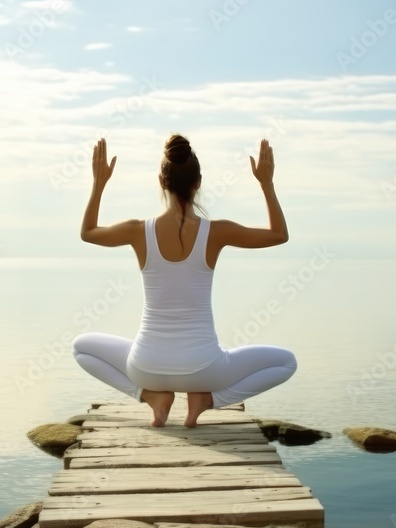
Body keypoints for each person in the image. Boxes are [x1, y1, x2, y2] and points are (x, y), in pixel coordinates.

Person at [72, 134, 297, 428]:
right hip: (205, 369)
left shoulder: (137, 231)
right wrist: (266, 184)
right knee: (286, 362)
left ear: (161, 181)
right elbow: (279, 235)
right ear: (198, 182)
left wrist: (99, 183)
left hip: (145, 367)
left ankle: (151, 397)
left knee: (80, 347)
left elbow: (88, 232)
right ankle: (205, 401)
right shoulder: (217, 232)